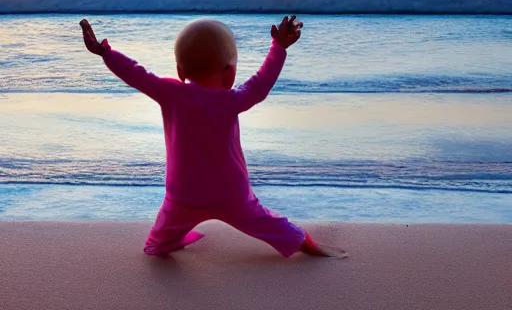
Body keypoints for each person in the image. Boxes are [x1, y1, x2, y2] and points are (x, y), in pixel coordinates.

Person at [80, 16, 347, 259]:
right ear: (230, 72)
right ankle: (307, 244)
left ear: (180, 71)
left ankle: (168, 242)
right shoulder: (233, 100)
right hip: (232, 194)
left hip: (183, 194)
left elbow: (136, 74)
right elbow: (262, 82)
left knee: (155, 244)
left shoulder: (170, 94)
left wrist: (106, 53)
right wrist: (278, 47)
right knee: (271, 224)